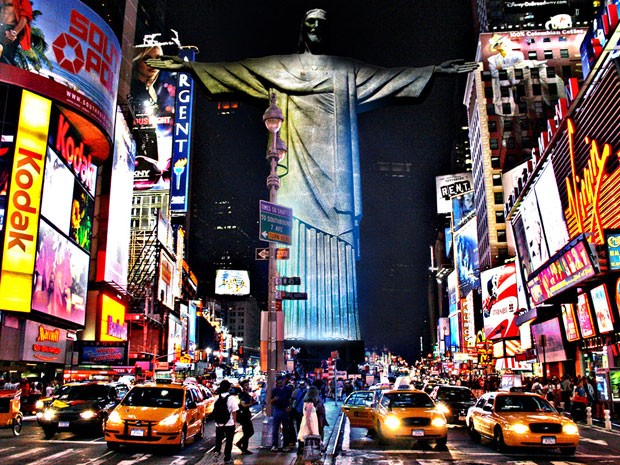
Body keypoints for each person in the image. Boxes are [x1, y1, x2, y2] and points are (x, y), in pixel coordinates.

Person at [147, 8, 477, 342]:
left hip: (337, 182)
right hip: (293, 178)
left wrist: (435, 71)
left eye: (322, 24)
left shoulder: (343, 70)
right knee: (291, 247)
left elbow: (390, 79)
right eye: (311, 24)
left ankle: (340, 331)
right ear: (303, 31)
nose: (316, 29)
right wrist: (190, 67)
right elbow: (236, 72)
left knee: (335, 248)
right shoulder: (282, 67)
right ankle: (296, 331)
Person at [213, 379, 239, 464]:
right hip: (229, 423)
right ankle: (227, 458)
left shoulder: (217, 397)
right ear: (228, 388)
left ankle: (217, 451)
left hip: (218, 423)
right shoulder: (231, 398)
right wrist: (235, 423)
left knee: (218, 439)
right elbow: (234, 411)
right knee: (229, 441)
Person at [0, 0, 32, 66]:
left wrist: (14, 33)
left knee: (5, 59)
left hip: (10, 29)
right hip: (1, 26)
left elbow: (25, 17)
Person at [270, 375, 293, 452]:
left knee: (286, 428)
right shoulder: (275, 390)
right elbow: (271, 401)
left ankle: (285, 445)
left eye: (281, 382)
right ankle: (274, 445)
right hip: (277, 409)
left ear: (284, 381)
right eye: (278, 383)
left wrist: (289, 407)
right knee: (275, 428)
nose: (280, 384)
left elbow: (291, 399)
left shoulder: (288, 389)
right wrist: (274, 399)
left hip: (285, 410)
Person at [235, 379, 256, 455]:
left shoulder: (246, 393)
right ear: (243, 386)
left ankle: (243, 447)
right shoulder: (242, 394)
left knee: (248, 432)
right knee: (249, 432)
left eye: (248, 384)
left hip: (246, 414)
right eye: (246, 385)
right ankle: (241, 445)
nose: (247, 386)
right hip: (243, 415)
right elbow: (243, 404)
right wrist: (251, 403)